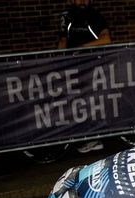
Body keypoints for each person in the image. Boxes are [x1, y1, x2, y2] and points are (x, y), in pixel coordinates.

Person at [57, 0, 111, 153]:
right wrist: (58, 61)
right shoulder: (66, 16)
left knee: (92, 101)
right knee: (78, 102)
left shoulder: (95, 16)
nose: (82, 1)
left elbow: (106, 39)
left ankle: (95, 138)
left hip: (92, 66)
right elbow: (62, 41)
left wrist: (81, 48)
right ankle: (87, 136)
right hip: (73, 68)